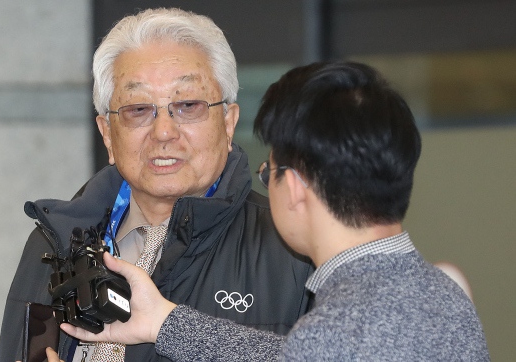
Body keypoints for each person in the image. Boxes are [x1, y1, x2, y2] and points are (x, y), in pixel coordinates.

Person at [55, 61, 490, 361]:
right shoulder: (444, 294)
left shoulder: (338, 332)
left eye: (271, 172)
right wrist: (167, 323)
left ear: (296, 187)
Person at [0, 7, 314, 362]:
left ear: (228, 123)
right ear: (107, 134)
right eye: (138, 110)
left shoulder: (296, 247)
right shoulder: (54, 241)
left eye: (188, 105)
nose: (164, 132)